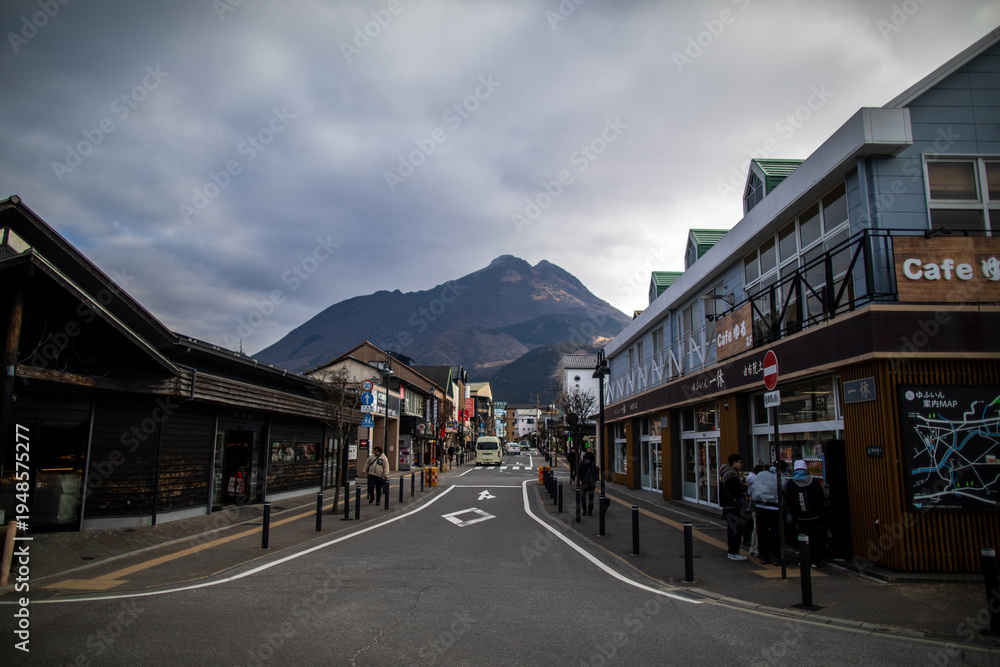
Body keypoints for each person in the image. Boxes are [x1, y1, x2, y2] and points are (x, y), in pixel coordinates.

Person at [785, 460, 826, 567]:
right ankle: (815, 560)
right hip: (813, 516)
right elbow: (820, 497)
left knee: (802, 538)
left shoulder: (792, 484)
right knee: (814, 538)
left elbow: (789, 501)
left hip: (799, 517)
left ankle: (803, 560)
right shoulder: (813, 481)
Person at [750, 462, 783, 565]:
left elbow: (753, 490)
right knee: (777, 534)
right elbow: (784, 488)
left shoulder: (760, 475)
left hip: (760, 508)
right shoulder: (779, 476)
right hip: (775, 508)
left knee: (761, 533)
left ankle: (763, 556)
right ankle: (778, 557)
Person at [719, 453, 747, 561]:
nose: (741, 465)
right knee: (735, 529)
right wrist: (744, 487)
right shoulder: (731, 474)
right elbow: (736, 490)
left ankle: (733, 551)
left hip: (727, 505)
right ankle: (733, 552)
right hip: (731, 505)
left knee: (733, 529)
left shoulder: (725, 472)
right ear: (735, 463)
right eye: (740, 462)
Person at [578, 448, 598, 515]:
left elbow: (579, 474)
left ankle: (584, 509)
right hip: (592, 483)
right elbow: (596, 474)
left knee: (583, 496)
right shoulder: (593, 466)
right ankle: (590, 511)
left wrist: (582, 480)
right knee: (591, 497)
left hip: (584, 483)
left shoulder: (582, 465)